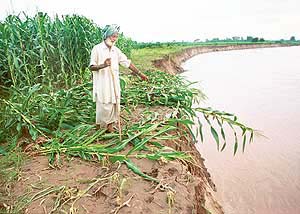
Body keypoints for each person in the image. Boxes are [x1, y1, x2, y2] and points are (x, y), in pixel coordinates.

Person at [89, 24, 148, 132]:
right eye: (113, 36)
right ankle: (100, 129)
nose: (114, 39)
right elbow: (91, 67)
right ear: (107, 36)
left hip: (113, 83)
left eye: (116, 37)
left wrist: (140, 74)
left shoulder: (116, 51)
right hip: (102, 84)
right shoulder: (97, 49)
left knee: (114, 103)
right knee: (103, 105)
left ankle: (110, 127)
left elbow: (127, 63)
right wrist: (103, 65)